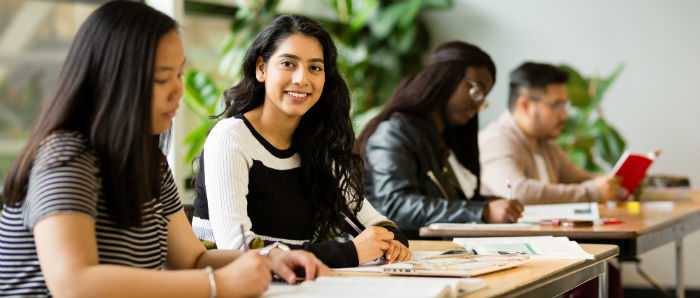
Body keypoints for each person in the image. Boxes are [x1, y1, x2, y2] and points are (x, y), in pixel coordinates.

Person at [0, 2, 328, 297]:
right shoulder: (66, 156)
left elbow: (193, 258)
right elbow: (74, 284)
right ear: (112, 79)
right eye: (161, 78)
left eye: (180, 74)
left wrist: (270, 258)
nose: (178, 91)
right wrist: (219, 285)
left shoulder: (148, 159)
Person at [192, 15, 411, 268]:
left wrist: (392, 243)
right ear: (261, 69)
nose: (302, 79)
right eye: (288, 64)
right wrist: (348, 252)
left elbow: (378, 224)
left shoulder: (317, 144)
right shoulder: (231, 136)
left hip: (295, 286)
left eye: (315, 68)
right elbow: (239, 249)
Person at [356, 41, 524, 238]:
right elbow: (394, 207)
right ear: (446, 77)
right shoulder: (395, 132)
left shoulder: (442, 138)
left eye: (483, 97)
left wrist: (488, 204)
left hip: (434, 254)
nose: (478, 105)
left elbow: (442, 202)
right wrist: (482, 212)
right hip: (399, 259)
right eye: (476, 91)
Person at [479, 62, 621, 204]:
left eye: (564, 105)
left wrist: (616, 185)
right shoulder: (496, 140)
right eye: (556, 105)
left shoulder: (545, 142)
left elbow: (580, 178)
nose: (565, 115)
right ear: (525, 106)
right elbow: (517, 193)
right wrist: (591, 193)